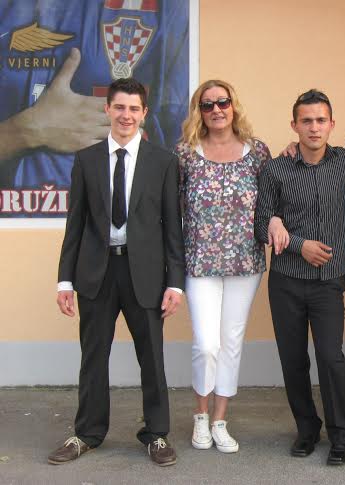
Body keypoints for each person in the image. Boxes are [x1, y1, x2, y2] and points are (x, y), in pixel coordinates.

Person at [49, 77, 184, 467]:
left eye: (134, 109)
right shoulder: (86, 160)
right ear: (107, 109)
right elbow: (75, 225)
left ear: (144, 113)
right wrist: (64, 280)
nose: (126, 115)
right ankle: (87, 433)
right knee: (93, 357)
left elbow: (172, 228)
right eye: (120, 107)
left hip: (146, 275)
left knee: (152, 358)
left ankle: (156, 434)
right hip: (97, 272)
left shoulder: (163, 162)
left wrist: (175, 283)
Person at [255, 89, 345, 466]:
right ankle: (307, 429)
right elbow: (261, 225)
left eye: (321, 120)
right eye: (306, 121)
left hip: (329, 281)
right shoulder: (276, 169)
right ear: (295, 125)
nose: (314, 127)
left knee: (331, 358)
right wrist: (299, 245)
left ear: (332, 124)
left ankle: (341, 436)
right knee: (293, 360)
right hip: (286, 280)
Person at [0, 0, 189, 215]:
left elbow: (184, 143)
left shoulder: (170, 10)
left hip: (114, 211)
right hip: (14, 214)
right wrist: (24, 132)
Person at [175, 79, 271, 453]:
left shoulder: (257, 152)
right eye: (207, 104)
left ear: (233, 106)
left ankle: (219, 420)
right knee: (206, 343)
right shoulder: (185, 154)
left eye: (223, 102)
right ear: (198, 111)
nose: (216, 110)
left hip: (246, 262)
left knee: (231, 341)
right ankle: (200, 415)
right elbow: (171, 207)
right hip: (199, 261)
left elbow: (272, 197)